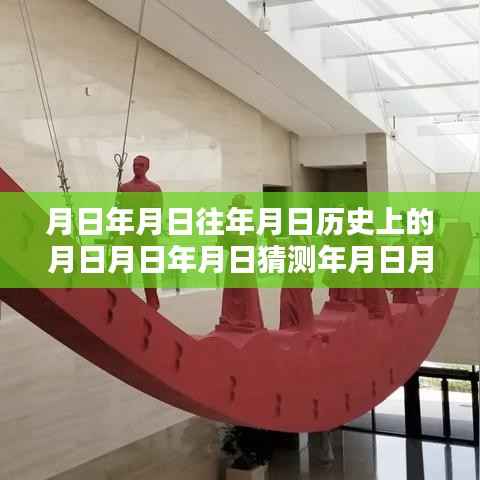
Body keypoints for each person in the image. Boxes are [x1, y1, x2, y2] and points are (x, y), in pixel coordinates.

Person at [118, 155, 162, 310]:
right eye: (135, 164)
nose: (137, 167)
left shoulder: (154, 189)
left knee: (148, 271)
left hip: (145, 235)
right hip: (128, 234)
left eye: (141, 165)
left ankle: (152, 302)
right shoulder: (124, 188)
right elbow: (118, 211)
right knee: (117, 263)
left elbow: (156, 213)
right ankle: (122, 297)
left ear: (147, 168)